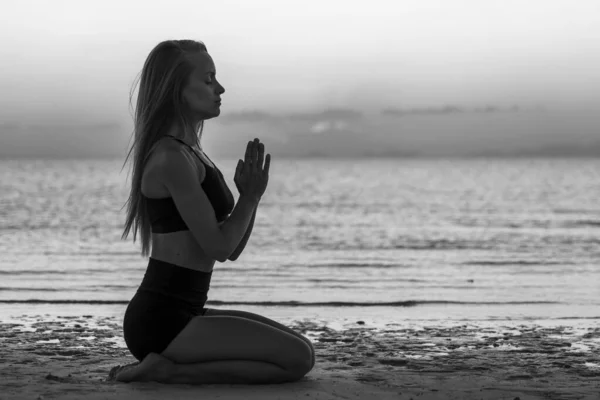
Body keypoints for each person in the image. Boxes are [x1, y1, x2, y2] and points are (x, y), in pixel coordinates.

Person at [111, 40, 315, 385]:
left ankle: (167, 367)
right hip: (162, 320)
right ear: (177, 90)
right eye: (208, 80)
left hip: (186, 309)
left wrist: (252, 196)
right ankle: (168, 371)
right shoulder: (171, 158)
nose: (219, 88)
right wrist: (248, 200)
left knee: (303, 349)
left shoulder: (192, 153)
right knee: (296, 361)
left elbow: (231, 249)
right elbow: (218, 248)